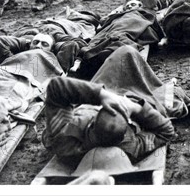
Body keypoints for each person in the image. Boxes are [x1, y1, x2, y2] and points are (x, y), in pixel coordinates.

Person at [42, 45, 175, 160]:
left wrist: (102, 95)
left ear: (92, 124)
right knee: (128, 55)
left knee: (124, 54)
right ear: (124, 132)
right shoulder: (129, 147)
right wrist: (135, 108)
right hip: (130, 98)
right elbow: (167, 132)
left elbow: (56, 86)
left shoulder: (65, 140)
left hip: (98, 96)